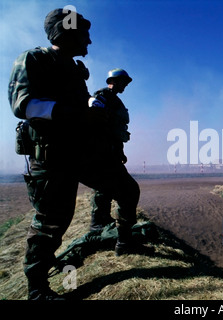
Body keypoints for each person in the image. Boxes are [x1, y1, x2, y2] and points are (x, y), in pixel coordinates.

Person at [8, 8, 142, 300]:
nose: (89, 42)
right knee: (51, 221)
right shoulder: (34, 59)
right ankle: (37, 289)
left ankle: (124, 242)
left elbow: (82, 106)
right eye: (84, 34)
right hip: (52, 156)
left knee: (128, 189)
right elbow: (24, 105)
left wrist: (91, 107)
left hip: (83, 153)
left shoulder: (73, 69)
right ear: (65, 32)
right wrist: (78, 115)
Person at [89, 68, 134, 231]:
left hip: (112, 148)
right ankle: (97, 222)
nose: (125, 86)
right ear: (113, 81)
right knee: (103, 186)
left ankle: (104, 218)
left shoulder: (114, 99)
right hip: (102, 149)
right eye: (123, 82)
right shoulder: (102, 96)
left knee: (108, 186)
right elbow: (96, 119)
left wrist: (120, 151)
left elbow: (117, 130)